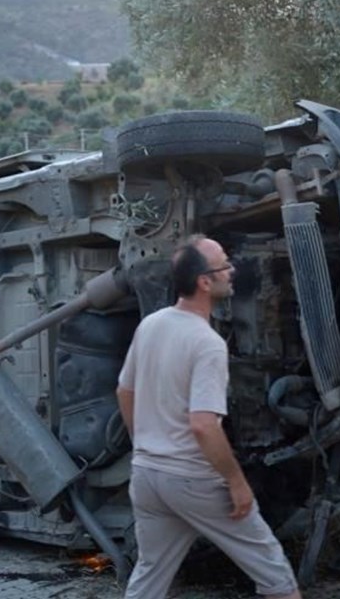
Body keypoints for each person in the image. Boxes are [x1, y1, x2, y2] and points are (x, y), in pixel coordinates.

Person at [117, 235, 301, 599]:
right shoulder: (207, 343)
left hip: (148, 477)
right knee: (273, 571)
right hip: (193, 481)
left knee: (150, 576)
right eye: (224, 265)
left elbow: (124, 391)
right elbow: (203, 425)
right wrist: (236, 481)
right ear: (204, 282)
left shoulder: (152, 325)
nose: (232, 271)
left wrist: (146, 446)